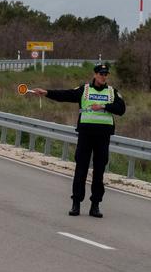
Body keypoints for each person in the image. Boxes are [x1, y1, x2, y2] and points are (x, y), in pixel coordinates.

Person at [27, 62, 126, 218]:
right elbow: (65, 95)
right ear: (95, 75)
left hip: (103, 137)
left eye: (105, 74)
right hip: (86, 135)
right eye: (101, 74)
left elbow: (121, 109)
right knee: (81, 169)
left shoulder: (113, 92)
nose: (103, 76)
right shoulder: (84, 90)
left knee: (99, 172)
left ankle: (95, 205)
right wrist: (46, 93)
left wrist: (103, 106)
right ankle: (76, 204)